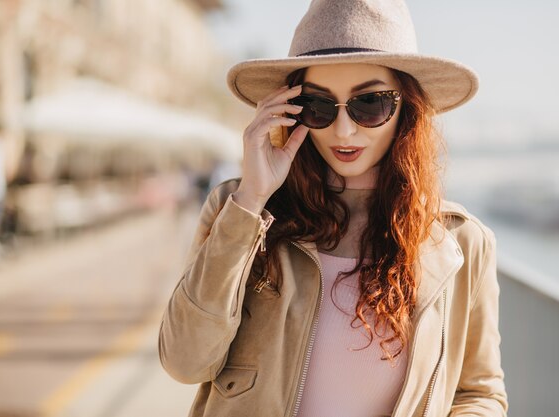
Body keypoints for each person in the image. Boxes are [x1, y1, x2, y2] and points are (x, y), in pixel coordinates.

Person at [158, 1, 508, 416]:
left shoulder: (461, 243)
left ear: (405, 108)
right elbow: (184, 362)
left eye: (370, 104)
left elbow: (479, 394)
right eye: (318, 107)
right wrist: (252, 200)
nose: (344, 130)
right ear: (289, 109)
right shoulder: (238, 210)